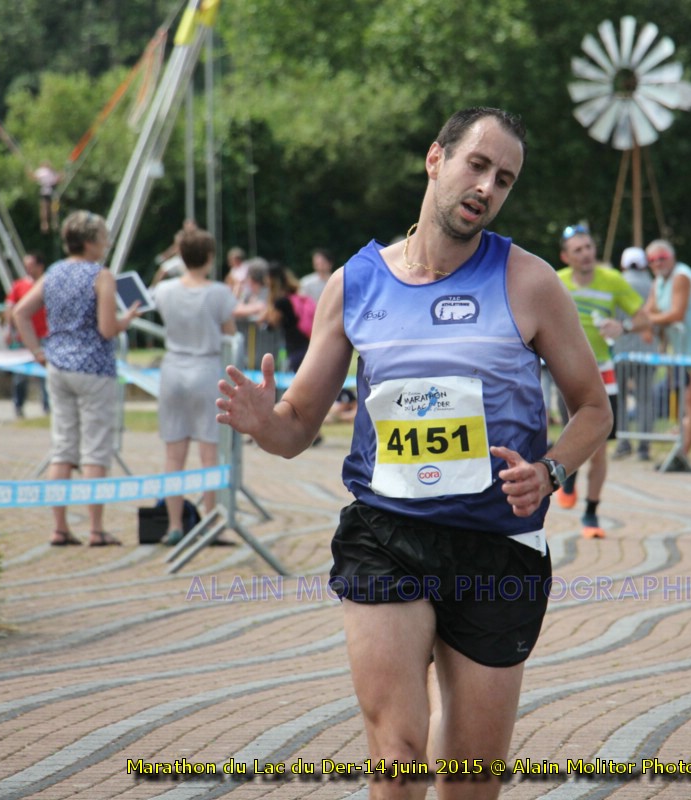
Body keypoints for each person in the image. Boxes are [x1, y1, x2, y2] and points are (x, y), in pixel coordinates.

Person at [215, 107, 610, 800]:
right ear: (436, 159)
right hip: (387, 533)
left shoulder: (529, 282)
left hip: (497, 545)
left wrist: (550, 472)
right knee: (397, 759)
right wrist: (261, 423)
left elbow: (594, 409)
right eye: (477, 165)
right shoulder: (355, 283)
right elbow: (296, 426)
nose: (486, 186)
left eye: (504, 179)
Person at [13, 210, 141, 547]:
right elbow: (107, 329)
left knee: (63, 448)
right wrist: (127, 319)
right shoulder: (101, 275)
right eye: (103, 238)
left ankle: (59, 527)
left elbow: (20, 312)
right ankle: (96, 529)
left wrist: (37, 352)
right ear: (90, 242)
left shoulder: (53, 272)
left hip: (58, 367)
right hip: (94, 369)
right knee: (96, 450)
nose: (106, 244)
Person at [555, 223, 644, 538]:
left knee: (600, 446)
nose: (586, 254)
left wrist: (623, 327)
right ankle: (568, 479)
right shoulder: (556, 281)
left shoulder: (613, 280)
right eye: (578, 250)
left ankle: (591, 514)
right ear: (566, 257)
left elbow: (644, 318)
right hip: (567, 369)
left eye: (589, 247)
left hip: (603, 371)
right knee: (571, 434)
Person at [153, 226, 237, 545]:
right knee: (208, 453)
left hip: (173, 369)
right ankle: (211, 522)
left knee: (173, 455)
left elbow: (150, 297)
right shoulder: (219, 292)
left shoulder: (165, 290)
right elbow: (230, 334)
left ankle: (174, 524)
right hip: (206, 369)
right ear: (210, 257)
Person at [626, 239, 691, 472]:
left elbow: (676, 314)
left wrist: (647, 323)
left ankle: (681, 454)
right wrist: (645, 323)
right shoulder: (659, 282)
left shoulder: (681, 276)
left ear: (672, 258)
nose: (657, 263)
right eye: (652, 260)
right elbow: (648, 311)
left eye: (662, 258)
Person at [612, 246, 654, 462]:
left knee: (619, 399)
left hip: (621, 350)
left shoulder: (617, 283)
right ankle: (644, 446)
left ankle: (623, 442)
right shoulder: (652, 284)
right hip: (648, 350)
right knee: (645, 399)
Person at [5, 252, 50, 418]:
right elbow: (10, 308)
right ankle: (18, 406)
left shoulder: (49, 283)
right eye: (26, 266)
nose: (27, 269)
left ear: (40, 266)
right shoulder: (18, 285)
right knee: (20, 376)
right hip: (24, 337)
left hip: (46, 335)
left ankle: (48, 408)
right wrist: (9, 330)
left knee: (46, 375)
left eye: (31, 265)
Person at [33, 161, 60, 233]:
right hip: (46, 191)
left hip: (51, 191)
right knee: (45, 208)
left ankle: (52, 222)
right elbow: (34, 177)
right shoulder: (42, 171)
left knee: (53, 207)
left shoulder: (52, 172)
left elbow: (57, 180)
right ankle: (46, 223)